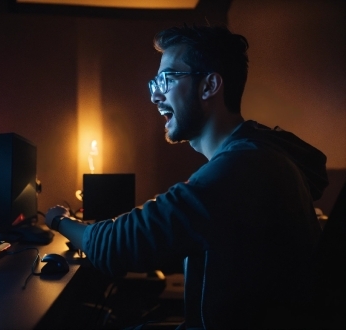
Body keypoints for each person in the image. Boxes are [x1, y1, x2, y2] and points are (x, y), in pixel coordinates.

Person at [45, 24, 328, 329]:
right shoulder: (259, 155)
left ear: (209, 86)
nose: (156, 96)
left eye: (167, 79)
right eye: (155, 82)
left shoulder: (241, 168)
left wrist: (58, 220)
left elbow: (114, 246)